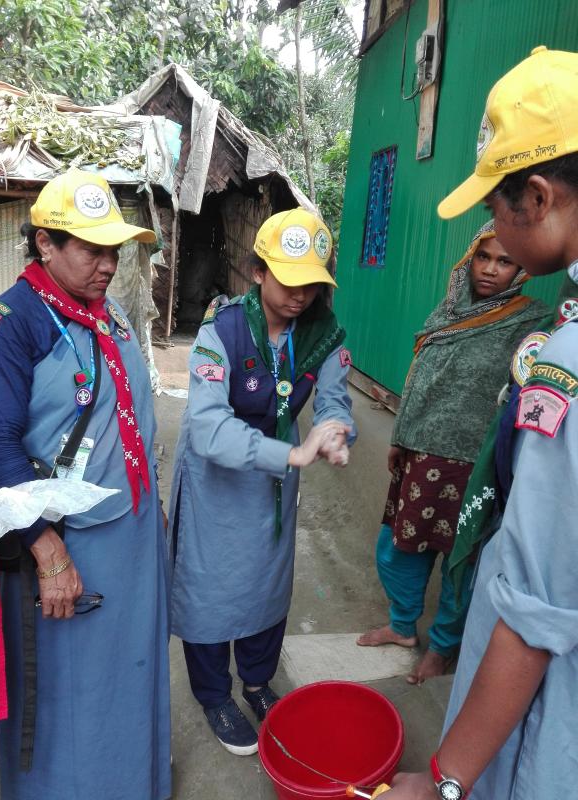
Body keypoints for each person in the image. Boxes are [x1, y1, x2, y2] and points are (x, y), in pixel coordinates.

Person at [386, 46, 578, 800]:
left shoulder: (564, 361)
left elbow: (535, 611)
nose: (493, 234)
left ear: (537, 197)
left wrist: (444, 780)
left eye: (495, 207)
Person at [0, 167, 172, 799]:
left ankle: (133, 782)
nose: (109, 264)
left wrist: (152, 503)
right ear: (45, 243)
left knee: (131, 671)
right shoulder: (12, 325)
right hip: (67, 544)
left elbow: (132, 415)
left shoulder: (105, 311)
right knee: (70, 695)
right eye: (92, 250)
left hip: (131, 534)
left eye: (114, 249)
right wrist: (48, 552)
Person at [167, 207, 355, 756]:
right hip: (216, 479)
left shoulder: (323, 335)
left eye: (311, 284)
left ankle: (256, 681)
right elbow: (206, 427)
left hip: (274, 481)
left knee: (267, 583)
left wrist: (334, 431)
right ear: (258, 272)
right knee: (209, 586)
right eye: (288, 279)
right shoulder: (221, 330)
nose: (300, 295)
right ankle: (214, 694)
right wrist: (292, 452)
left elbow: (335, 400)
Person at [357, 221, 549, 685]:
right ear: (469, 258)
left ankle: (443, 647)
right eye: (483, 257)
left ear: (521, 270)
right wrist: (401, 436)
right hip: (423, 455)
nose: (491, 269)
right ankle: (403, 626)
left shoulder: (532, 323)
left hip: (477, 465)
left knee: (461, 560)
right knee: (400, 548)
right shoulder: (448, 310)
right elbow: (421, 375)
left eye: (505, 261)